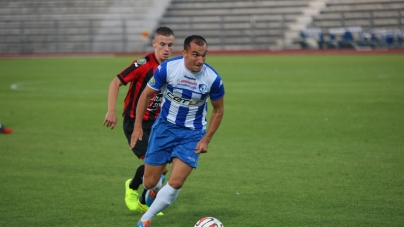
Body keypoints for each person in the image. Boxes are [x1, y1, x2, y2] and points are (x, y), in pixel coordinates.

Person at [130, 35, 225, 227]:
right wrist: (137, 127)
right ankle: (155, 187)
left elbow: (219, 109)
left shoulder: (212, 79)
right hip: (165, 128)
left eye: (204, 55)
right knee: (149, 182)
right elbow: (146, 95)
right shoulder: (167, 69)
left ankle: (145, 219)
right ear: (184, 53)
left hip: (192, 133)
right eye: (195, 55)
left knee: (176, 182)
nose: (200, 60)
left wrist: (207, 139)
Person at [103, 27, 174, 214]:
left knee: (163, 169)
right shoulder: (143, 64)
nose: (166, 49)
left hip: (156, 123)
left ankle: (144, 200)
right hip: (135, 123)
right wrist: (111, 110)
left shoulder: (170, 67)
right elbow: (115, 82)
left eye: (170, 45)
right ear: (154, 44)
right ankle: (133, 188)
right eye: (162, 44)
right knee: (155, 166)